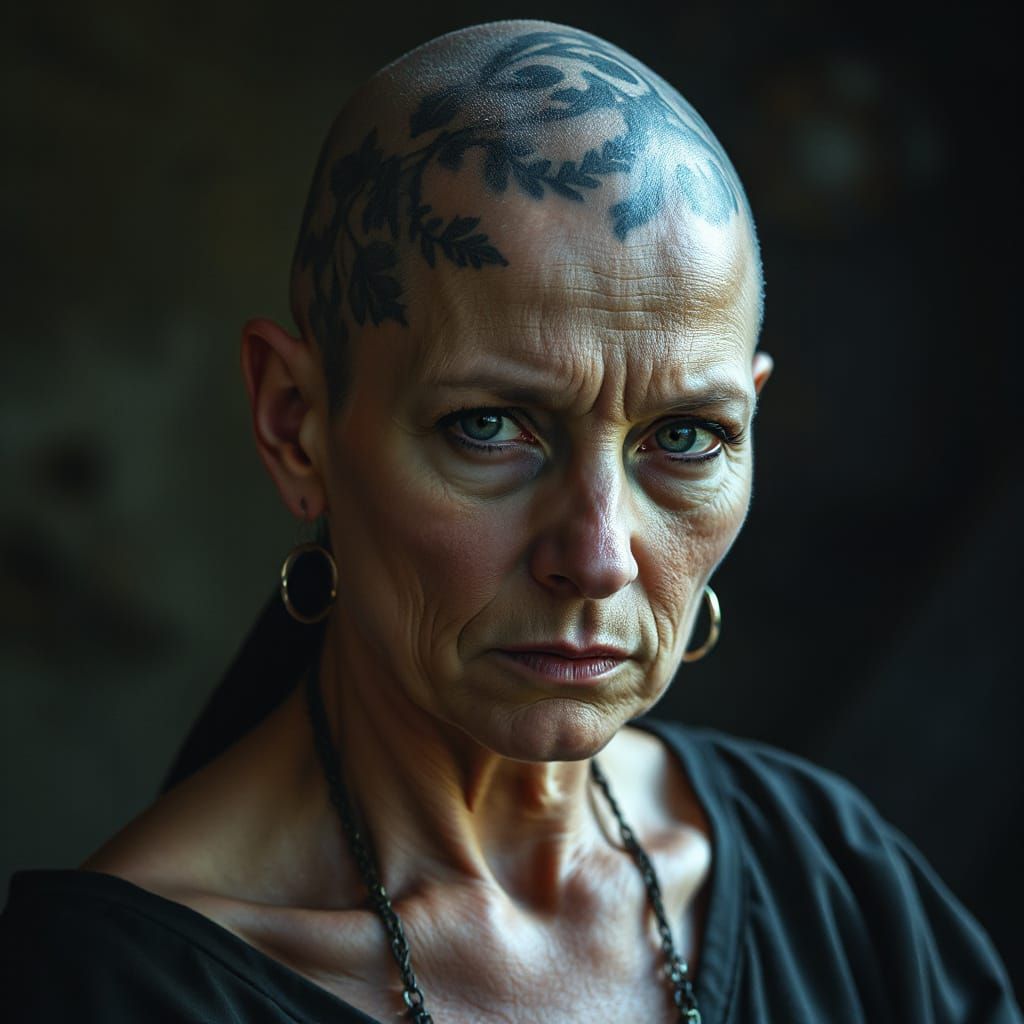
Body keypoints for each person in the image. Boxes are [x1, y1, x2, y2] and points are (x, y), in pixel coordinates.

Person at [1, 18, 1019, 1024]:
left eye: (686, 436)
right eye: (489, 426)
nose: (598, 556)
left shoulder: (838, 884)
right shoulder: (111, 989)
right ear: (296, 423)